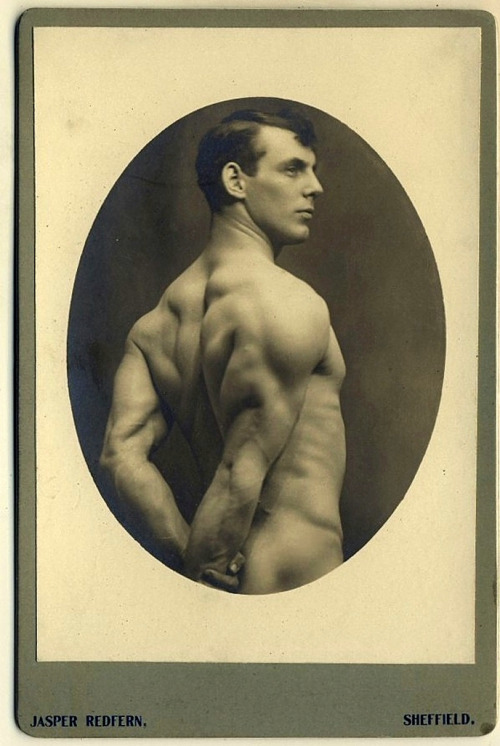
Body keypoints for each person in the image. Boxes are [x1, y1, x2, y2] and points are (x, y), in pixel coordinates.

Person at [100, 109, 346, 594]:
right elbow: (239, 468)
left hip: (220, 572)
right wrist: (209, 571)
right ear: (235, 180)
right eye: (293, 169)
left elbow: (120, 456)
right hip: (293, 579)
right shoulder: (285, 301)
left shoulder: (154, 324)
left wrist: (189, 556)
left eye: (313, 170)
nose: (315, 187)